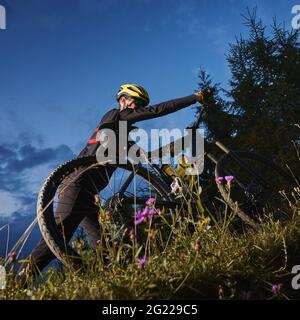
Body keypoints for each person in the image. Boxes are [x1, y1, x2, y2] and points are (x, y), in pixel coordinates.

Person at [19, 84, 209, 281]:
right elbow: (157, 110)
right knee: (58, 235)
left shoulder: (123, 137)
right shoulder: (114, 116)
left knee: (102, 244)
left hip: (89, 194)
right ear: (123, 100)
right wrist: (194, 98)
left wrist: (179, 145)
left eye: (140, 105)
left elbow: (146, 157)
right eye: (135, 103)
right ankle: (20, 281)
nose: (137, 109)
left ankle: (109, 281)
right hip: (78, 182)